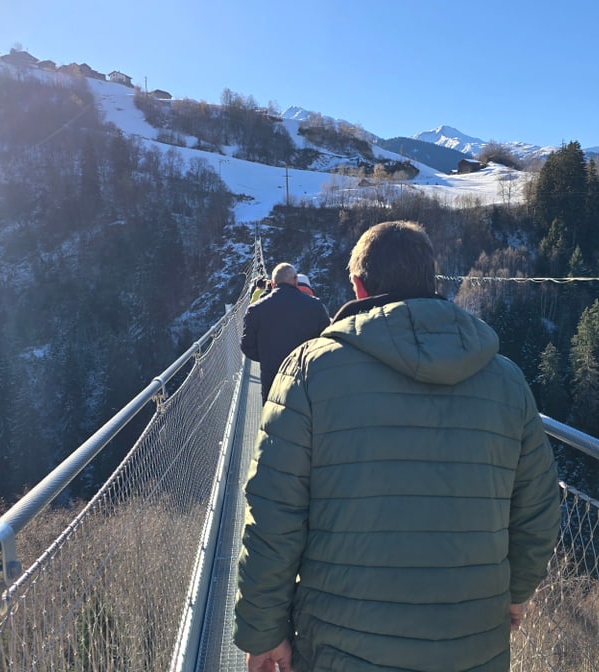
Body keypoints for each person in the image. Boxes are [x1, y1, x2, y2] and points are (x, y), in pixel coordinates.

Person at [234, 221, 560, 672]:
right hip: (472, 646)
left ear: (358, 286)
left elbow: (273, 515)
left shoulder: (308, 373)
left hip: (340, 649)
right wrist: (515, 592)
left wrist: (264, 632)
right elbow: (539, 510)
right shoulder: (506, 380)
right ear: (431, 283)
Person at [240, 262, 330, 402]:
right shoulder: (316, 306)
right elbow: (326, 342)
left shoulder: (255, 310)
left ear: (272, 283)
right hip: (306, 381)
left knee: (273, 419)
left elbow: (247, 346)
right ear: (295, 280)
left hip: (272, 382)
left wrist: (267, 356)